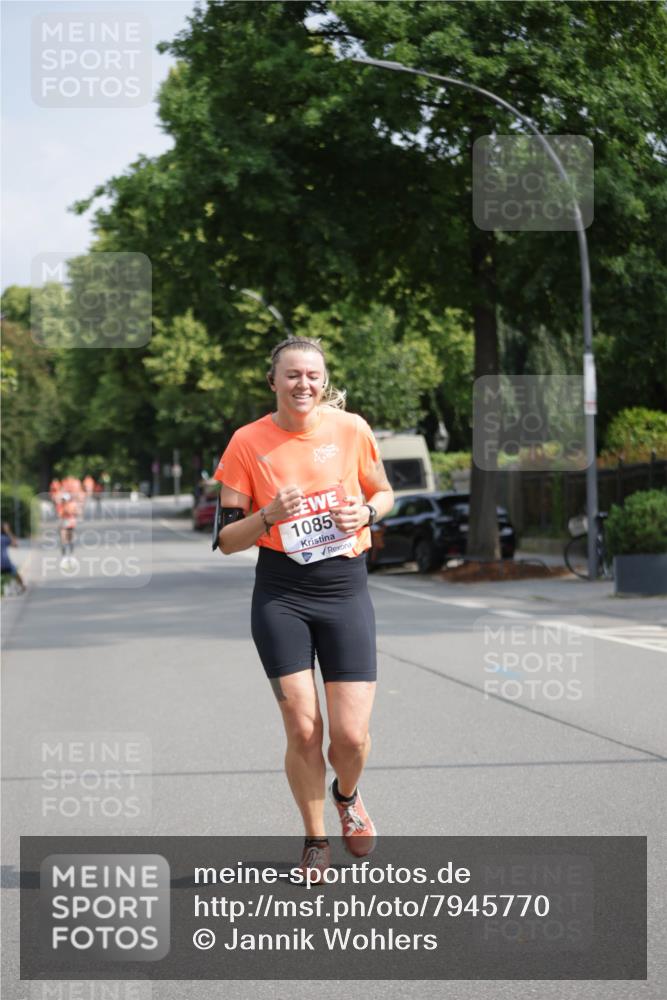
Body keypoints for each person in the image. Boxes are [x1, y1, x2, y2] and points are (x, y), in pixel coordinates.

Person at [214, 336, 394, 881]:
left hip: (344, 591)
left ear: (324, 380)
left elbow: (384, 493)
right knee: (303, 728)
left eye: (312, 375)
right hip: (281, 595)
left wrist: (364, 514)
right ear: (273, 381)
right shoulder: (247, 442)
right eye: (292, 375)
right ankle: (316, 838)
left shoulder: (351, 429)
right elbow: (226, 539)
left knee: (352, 736)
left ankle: (348, 794)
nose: (303, 384)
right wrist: (267, 514)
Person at [1, 522, 27, 593]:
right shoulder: (4, 538)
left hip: (4, 564)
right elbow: (15, 545)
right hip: (5, 564)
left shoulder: (3, 538)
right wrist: (8, 532)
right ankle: (22, 586)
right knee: (16, 573)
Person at [56, 492, 78, 558]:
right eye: (63, 499)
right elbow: (59, 514)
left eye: (65, 499)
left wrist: (70, 512)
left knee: (70, 539)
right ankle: (64, 553)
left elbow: (75, 513)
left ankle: (72, 552)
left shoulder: (72, 505)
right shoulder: (60, 506)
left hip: (70, 523)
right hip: (63, 522)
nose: (63, 501)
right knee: (63, 538)